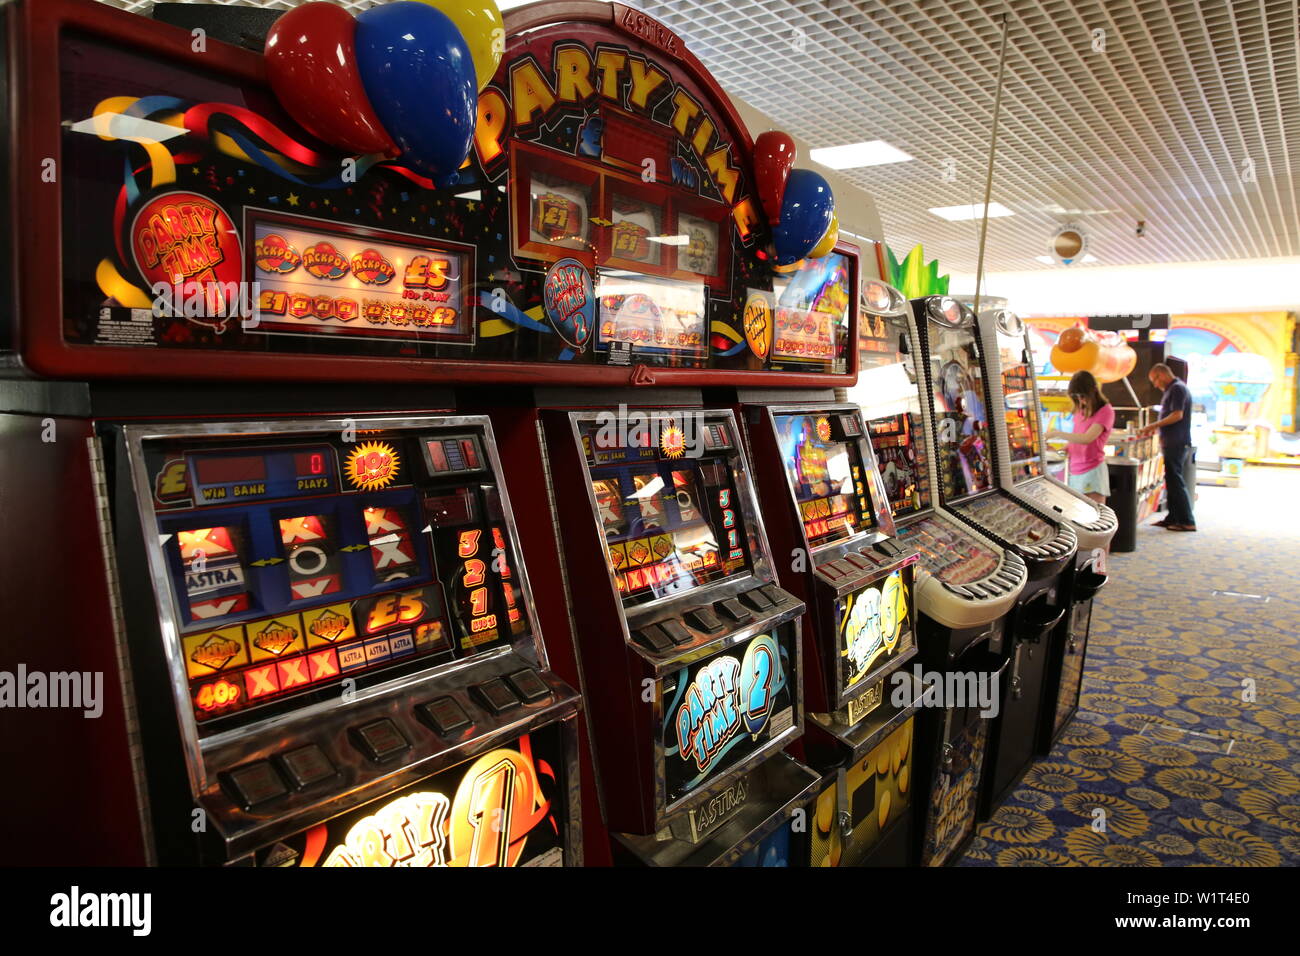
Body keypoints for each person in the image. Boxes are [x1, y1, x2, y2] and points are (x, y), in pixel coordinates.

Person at [1138, 363, 1196, 531]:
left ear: (1161, 375)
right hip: (1172, 441)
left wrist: (1153, 425)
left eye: (1154, 380)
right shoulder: (1174, 389)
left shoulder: (1177, 388)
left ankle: (1186, 520)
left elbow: (1177, 415)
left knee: (1176, 481)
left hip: (1177, 442)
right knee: (1171, 480)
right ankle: (1173, 517)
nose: (1155, 385)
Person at [1047, 370, 1114, 504]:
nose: (1080, 400)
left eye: (1082, 395)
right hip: (1075, 470)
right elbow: (1075, 443)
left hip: (1093, 470)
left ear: (1094, 390)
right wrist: (1056, 452)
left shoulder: (1105, 411)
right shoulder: (1080, 411)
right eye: (1076, 397)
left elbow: (1087, 438)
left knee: (1096, 517)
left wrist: (1057, 433)